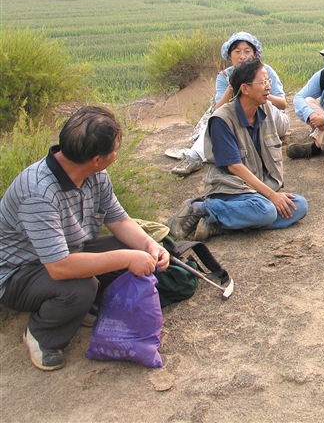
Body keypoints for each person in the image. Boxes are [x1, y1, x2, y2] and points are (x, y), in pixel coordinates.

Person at [0, 106, 170, 371]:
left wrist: (149, 245)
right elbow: (59, 268)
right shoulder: (38, 193)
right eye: (114, 149)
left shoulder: (95, 174)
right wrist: (127, 258)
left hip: (68, 251)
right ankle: (42, 333)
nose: (117, 152)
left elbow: (119, 220)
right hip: (19, 273)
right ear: (97, 159)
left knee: (135, 250)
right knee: (80, 287)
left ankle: (77, 309)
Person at [168, 59, 308, 241]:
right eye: (263, 82)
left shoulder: (265, 109)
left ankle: (219, 224)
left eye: (269, 81)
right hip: (229, 189)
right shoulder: (222, 120)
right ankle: (203, 208)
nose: (268, 87)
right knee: (266, 211)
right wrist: (272, 196)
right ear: (245, 88)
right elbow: (234, 167)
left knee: (299, 206)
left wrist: (271, 195)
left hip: (256, 190)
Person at [170, 31, 289, 176]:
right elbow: (219, 108)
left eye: (247, 51)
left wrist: (260, 92)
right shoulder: (224, 77)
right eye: (237, 52)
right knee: (218, 120)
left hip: (273, 121)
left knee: (262, 106)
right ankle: (194, 157)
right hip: (240, 122)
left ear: (255, 54)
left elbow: (282, 105)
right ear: (229, 55)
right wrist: (232, 87)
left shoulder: (265, 71)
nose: (242, 56)